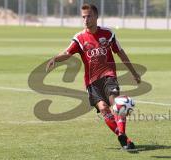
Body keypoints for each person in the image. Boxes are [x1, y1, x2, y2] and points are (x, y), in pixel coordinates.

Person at [46, 3, 141, 150]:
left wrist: (134, 73)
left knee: (116, 103)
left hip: (109, 76)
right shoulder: (79, 38)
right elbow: (67, 53)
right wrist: (55, 58)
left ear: (96, 16)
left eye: (89, 16)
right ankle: (125, 139)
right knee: (103, 109)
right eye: (83, 17)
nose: (86, 19)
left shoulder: (108, 34)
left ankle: (121, 132)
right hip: (92, 82)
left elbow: (121, 53)